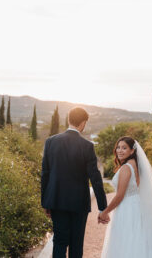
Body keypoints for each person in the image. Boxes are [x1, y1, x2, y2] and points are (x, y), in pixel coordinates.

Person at [41, 107, 108, 258]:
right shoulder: (87, 146)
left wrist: (46, 202)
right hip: (79, 203)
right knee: (76, 244)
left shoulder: (50, 142)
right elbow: (95, 178)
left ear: (69, 120)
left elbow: (45, 173)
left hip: (56, 201)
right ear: (83, 123)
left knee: (59, 242)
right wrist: (103, 207)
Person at [100, 136, 152, 258]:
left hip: (126, 208)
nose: (120, 150)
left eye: (124, 148)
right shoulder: (135, 165)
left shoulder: (126, 168)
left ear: (132, 150)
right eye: (118, 147)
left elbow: (119, 196)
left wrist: (105, 212)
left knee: (126, 241)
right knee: (137, 239)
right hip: (136, 205)